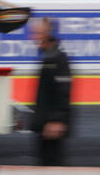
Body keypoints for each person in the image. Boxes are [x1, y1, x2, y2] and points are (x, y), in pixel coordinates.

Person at [30, 16, 72, 165]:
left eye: (38, 33)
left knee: (52, 167)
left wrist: (56, 120)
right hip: (45, 126)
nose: (34, 37)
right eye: (34, 33)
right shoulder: (48, 57)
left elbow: (63, 91)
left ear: (48, 34)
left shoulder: (58, 59)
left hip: (52, 127)